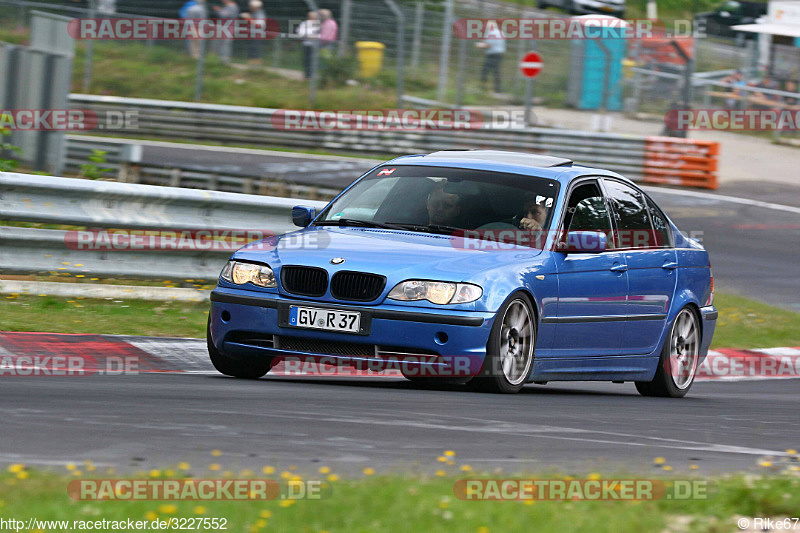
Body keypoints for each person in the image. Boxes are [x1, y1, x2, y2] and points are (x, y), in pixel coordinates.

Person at [477, 28, 506, 95]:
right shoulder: (501, 32)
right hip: (500, 54)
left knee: (485, 70)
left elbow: (489, 45)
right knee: (496, 71)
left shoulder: (491, 33)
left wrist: (480, 45)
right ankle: (497, 90)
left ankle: (483, 88)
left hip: (492, 54)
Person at [296, 11, 320, 80]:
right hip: (307, 44)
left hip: (315, 45)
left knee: (313, 60)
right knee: (306, 60)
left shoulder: (318, 24)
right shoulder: (305, 24)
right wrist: (308, 36)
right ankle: (307, 75)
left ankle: (312, 75)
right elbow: (300, 33)